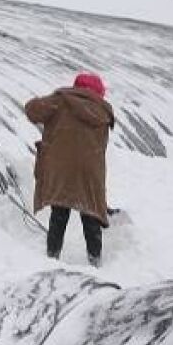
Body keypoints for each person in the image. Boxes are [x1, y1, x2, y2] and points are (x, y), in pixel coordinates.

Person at [24, 73, 116, 266]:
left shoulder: (60, 101)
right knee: (90, 216)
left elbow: (31, 110)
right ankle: (95, 261)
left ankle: (52, 257)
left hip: (62, 168)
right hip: (90, 172)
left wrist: (56, 96)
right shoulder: (103, 111)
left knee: (59, 213)